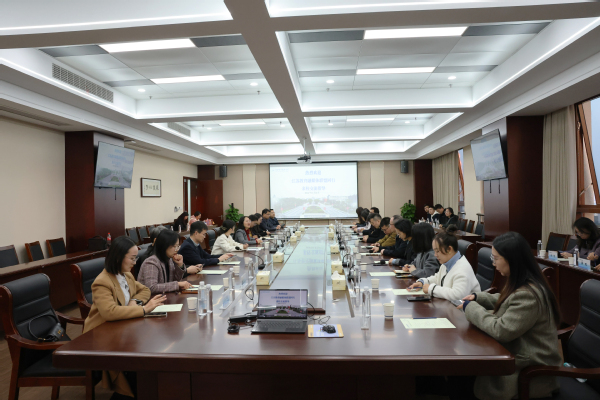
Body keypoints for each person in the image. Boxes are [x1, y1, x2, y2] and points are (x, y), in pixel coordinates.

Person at [456, 232, 562, 400]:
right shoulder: (525, 282)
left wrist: (471, 308)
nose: (493, 263)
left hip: (527, 372)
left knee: (462, 378)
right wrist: (478, 297)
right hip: (516, 357)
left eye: (496, 258)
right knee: (461, 376)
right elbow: (508, 299)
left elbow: (501, 330)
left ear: (512, 259)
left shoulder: (529, 294)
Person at [83, 236, 166, 399]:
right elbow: (110, 312)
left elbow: (145, 290)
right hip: (102, 334)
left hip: (122, 327)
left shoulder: (125, 275)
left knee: (150, 346)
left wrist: (135, 301)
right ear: (118, 257)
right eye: (132, 258)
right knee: (139, 359)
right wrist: (143, 309)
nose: (135, 262)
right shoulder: (102, 282)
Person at [407, 225, 480, 300]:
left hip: (464, 307)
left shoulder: (462, 269)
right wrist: (423, 282)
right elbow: (437, 278)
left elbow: (458, 295)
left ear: (449, 249)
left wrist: (431, 289)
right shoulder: (446, 263)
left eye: (437, 251)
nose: (435, 255)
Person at [138, 230, 194, 295]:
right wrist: (177, 284)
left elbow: (174, 281)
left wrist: (180, 265)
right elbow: (151, 287)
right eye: (174, 246)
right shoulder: (151, 262)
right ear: (164, 245)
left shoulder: (169, 259)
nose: (177, 249)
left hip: (164, 296)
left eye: (178, 246)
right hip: (150, 299)